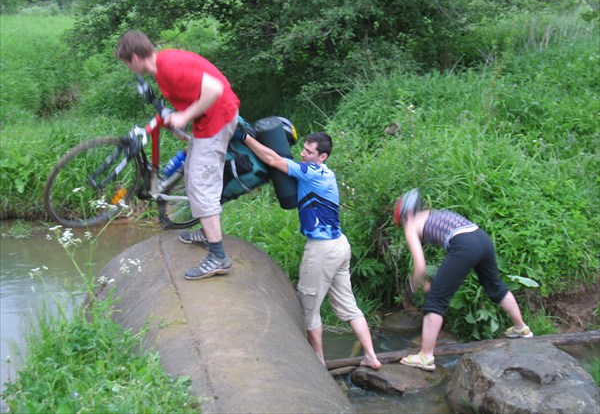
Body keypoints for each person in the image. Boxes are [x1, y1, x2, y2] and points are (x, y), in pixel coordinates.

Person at [240, 130, 381, 370]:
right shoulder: (327, 173)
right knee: (349, 306)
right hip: (340, 245)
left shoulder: (311, 173)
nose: (303, 154)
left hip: (322, 249)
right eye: (303, 149)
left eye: (309, 152)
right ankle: (371, 356)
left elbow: (273, 160)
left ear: (322, 156)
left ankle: (318, 363)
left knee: (309, 308)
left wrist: (244, 137)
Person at [115, 30, 238, 281]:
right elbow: (192, 94)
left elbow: (214, 89)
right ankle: (207, 232)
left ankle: (218, 257)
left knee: (201, 185)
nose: (128, 67)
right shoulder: (162, 69)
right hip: (208, 123)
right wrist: (182, 122)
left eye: (127, 62)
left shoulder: (169, 66)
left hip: (218, 121)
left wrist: (184, 116)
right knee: (192, 174)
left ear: (136, 57)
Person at [394, 188, 533, 372]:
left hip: (464, 245)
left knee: (435, 301)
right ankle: (521, 328)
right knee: (495, 286)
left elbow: (420, 265)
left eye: (402, 220)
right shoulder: (433, 213)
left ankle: (425, 356)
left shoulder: (410, 225)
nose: (403, 223)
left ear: (406, 215)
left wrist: (414, 283)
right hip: (482, 238)